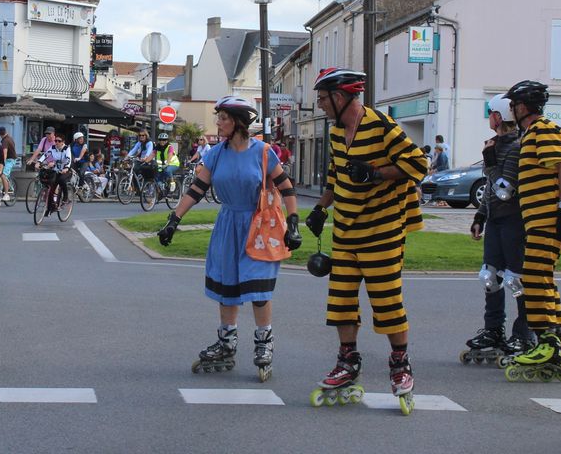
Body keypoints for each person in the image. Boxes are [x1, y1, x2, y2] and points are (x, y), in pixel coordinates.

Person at [304, 68, 427, 406]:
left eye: (323, 99)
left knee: (387, 302)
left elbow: (419, 165)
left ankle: (400, 364)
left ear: (340, 98)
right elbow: (334, 175)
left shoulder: (383, 126)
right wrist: (321, 209)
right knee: (341, 300)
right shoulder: (336, 132)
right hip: (345, 229)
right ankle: (348, 362)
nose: (320, 106)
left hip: (383, 228)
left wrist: (376, 173)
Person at [157, 96, 300, 379]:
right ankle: (227, 342)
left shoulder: (263, 152)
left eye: (223, 118)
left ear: (237, 122)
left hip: (259, 225)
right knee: (227, 286)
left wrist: (293, 223)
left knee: (258, 289)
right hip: (228, 223)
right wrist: (173, 220)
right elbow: (196, 189)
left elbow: (286, 187)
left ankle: (264, 343)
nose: (218, 122)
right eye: (218, 117)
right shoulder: (216, 154)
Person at [504, 80, 561, 379]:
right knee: (543, 277)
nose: (511, 109)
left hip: (550, 218)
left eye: (513, 105)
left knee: (534, 278)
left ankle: (546, 340)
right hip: (540, 219)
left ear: (522, 107)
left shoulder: (543, 130)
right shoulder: (530, 134)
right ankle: (560, 337)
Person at [463, 94, 535, 362]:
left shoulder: (517, 146)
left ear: (499, 116)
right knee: (489, 278)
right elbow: (490, 192)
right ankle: (494, 329)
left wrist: (491, 161)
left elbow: (505, 191)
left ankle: (524, 332)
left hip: (514, 220)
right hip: (495, 220)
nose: (489, 118)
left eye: (491, 113)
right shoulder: (493, 145)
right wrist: (480, 216)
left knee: (515, 280)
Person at [40, 133, 73, 214]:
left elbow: (68, 159)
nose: (57, 142)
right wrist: (39, 162)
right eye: (56, 141)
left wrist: (66, 168)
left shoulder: (66, 149)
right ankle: (50, 208)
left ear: (63, 142)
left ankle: (65, 198)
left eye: (59, 141)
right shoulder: (53, 148)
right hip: (56, 170)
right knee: (51, 189)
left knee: (61, 180)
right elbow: (45, 155)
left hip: (66, 170)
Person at [0, 126, 17, 201]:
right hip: (10, 159)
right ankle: (5, 186)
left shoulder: (5, 140)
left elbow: (4, 154)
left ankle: (6, 194)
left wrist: (2, 163)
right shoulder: (9, 138)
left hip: (10, 160)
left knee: (3, 175)